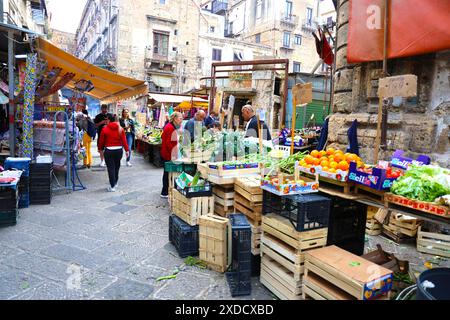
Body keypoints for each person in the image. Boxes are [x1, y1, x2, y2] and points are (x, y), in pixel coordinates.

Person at [97, 114, 130, 192]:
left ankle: (112, 186)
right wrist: (127, 150)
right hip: (119, 150)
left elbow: (101, 141)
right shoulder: (120, 129)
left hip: (109, 150)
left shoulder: (105, 129)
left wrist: (100, 149)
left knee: (111, 168)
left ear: (109, 120)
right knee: (117, 166)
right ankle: (115, 182)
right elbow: (124, 141)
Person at [160, 112, 183, 198]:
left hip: (168, 153)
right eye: (180, 118)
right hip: (168, 154)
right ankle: (164, 192)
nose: (182, 120)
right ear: (175, 118)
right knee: (167, 173)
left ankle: (166, 191)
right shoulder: (170, 128)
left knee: (168, 173)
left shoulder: (171, 126)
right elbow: (169, 143)